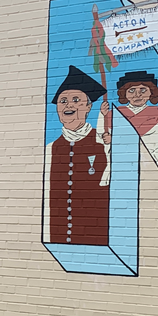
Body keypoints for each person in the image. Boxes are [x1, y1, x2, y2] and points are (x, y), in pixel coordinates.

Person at [45, 66, 110, 245]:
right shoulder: (51, 149)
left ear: (88, 107)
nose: (69, 105)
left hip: (98, 233)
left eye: (76, 100)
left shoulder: (104, 143)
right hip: (57, 235)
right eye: (63, 101)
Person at [103, 70, 158, 189]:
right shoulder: (115, 113)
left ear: (151, 93)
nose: (137, 95)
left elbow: (145, 138)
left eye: (143, 90)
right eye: (131, 90)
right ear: (124, 93)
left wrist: (115, 139)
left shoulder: (153, 114)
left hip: (149, 162)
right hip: (121, 163)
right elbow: (104, 138)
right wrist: (103, 115)